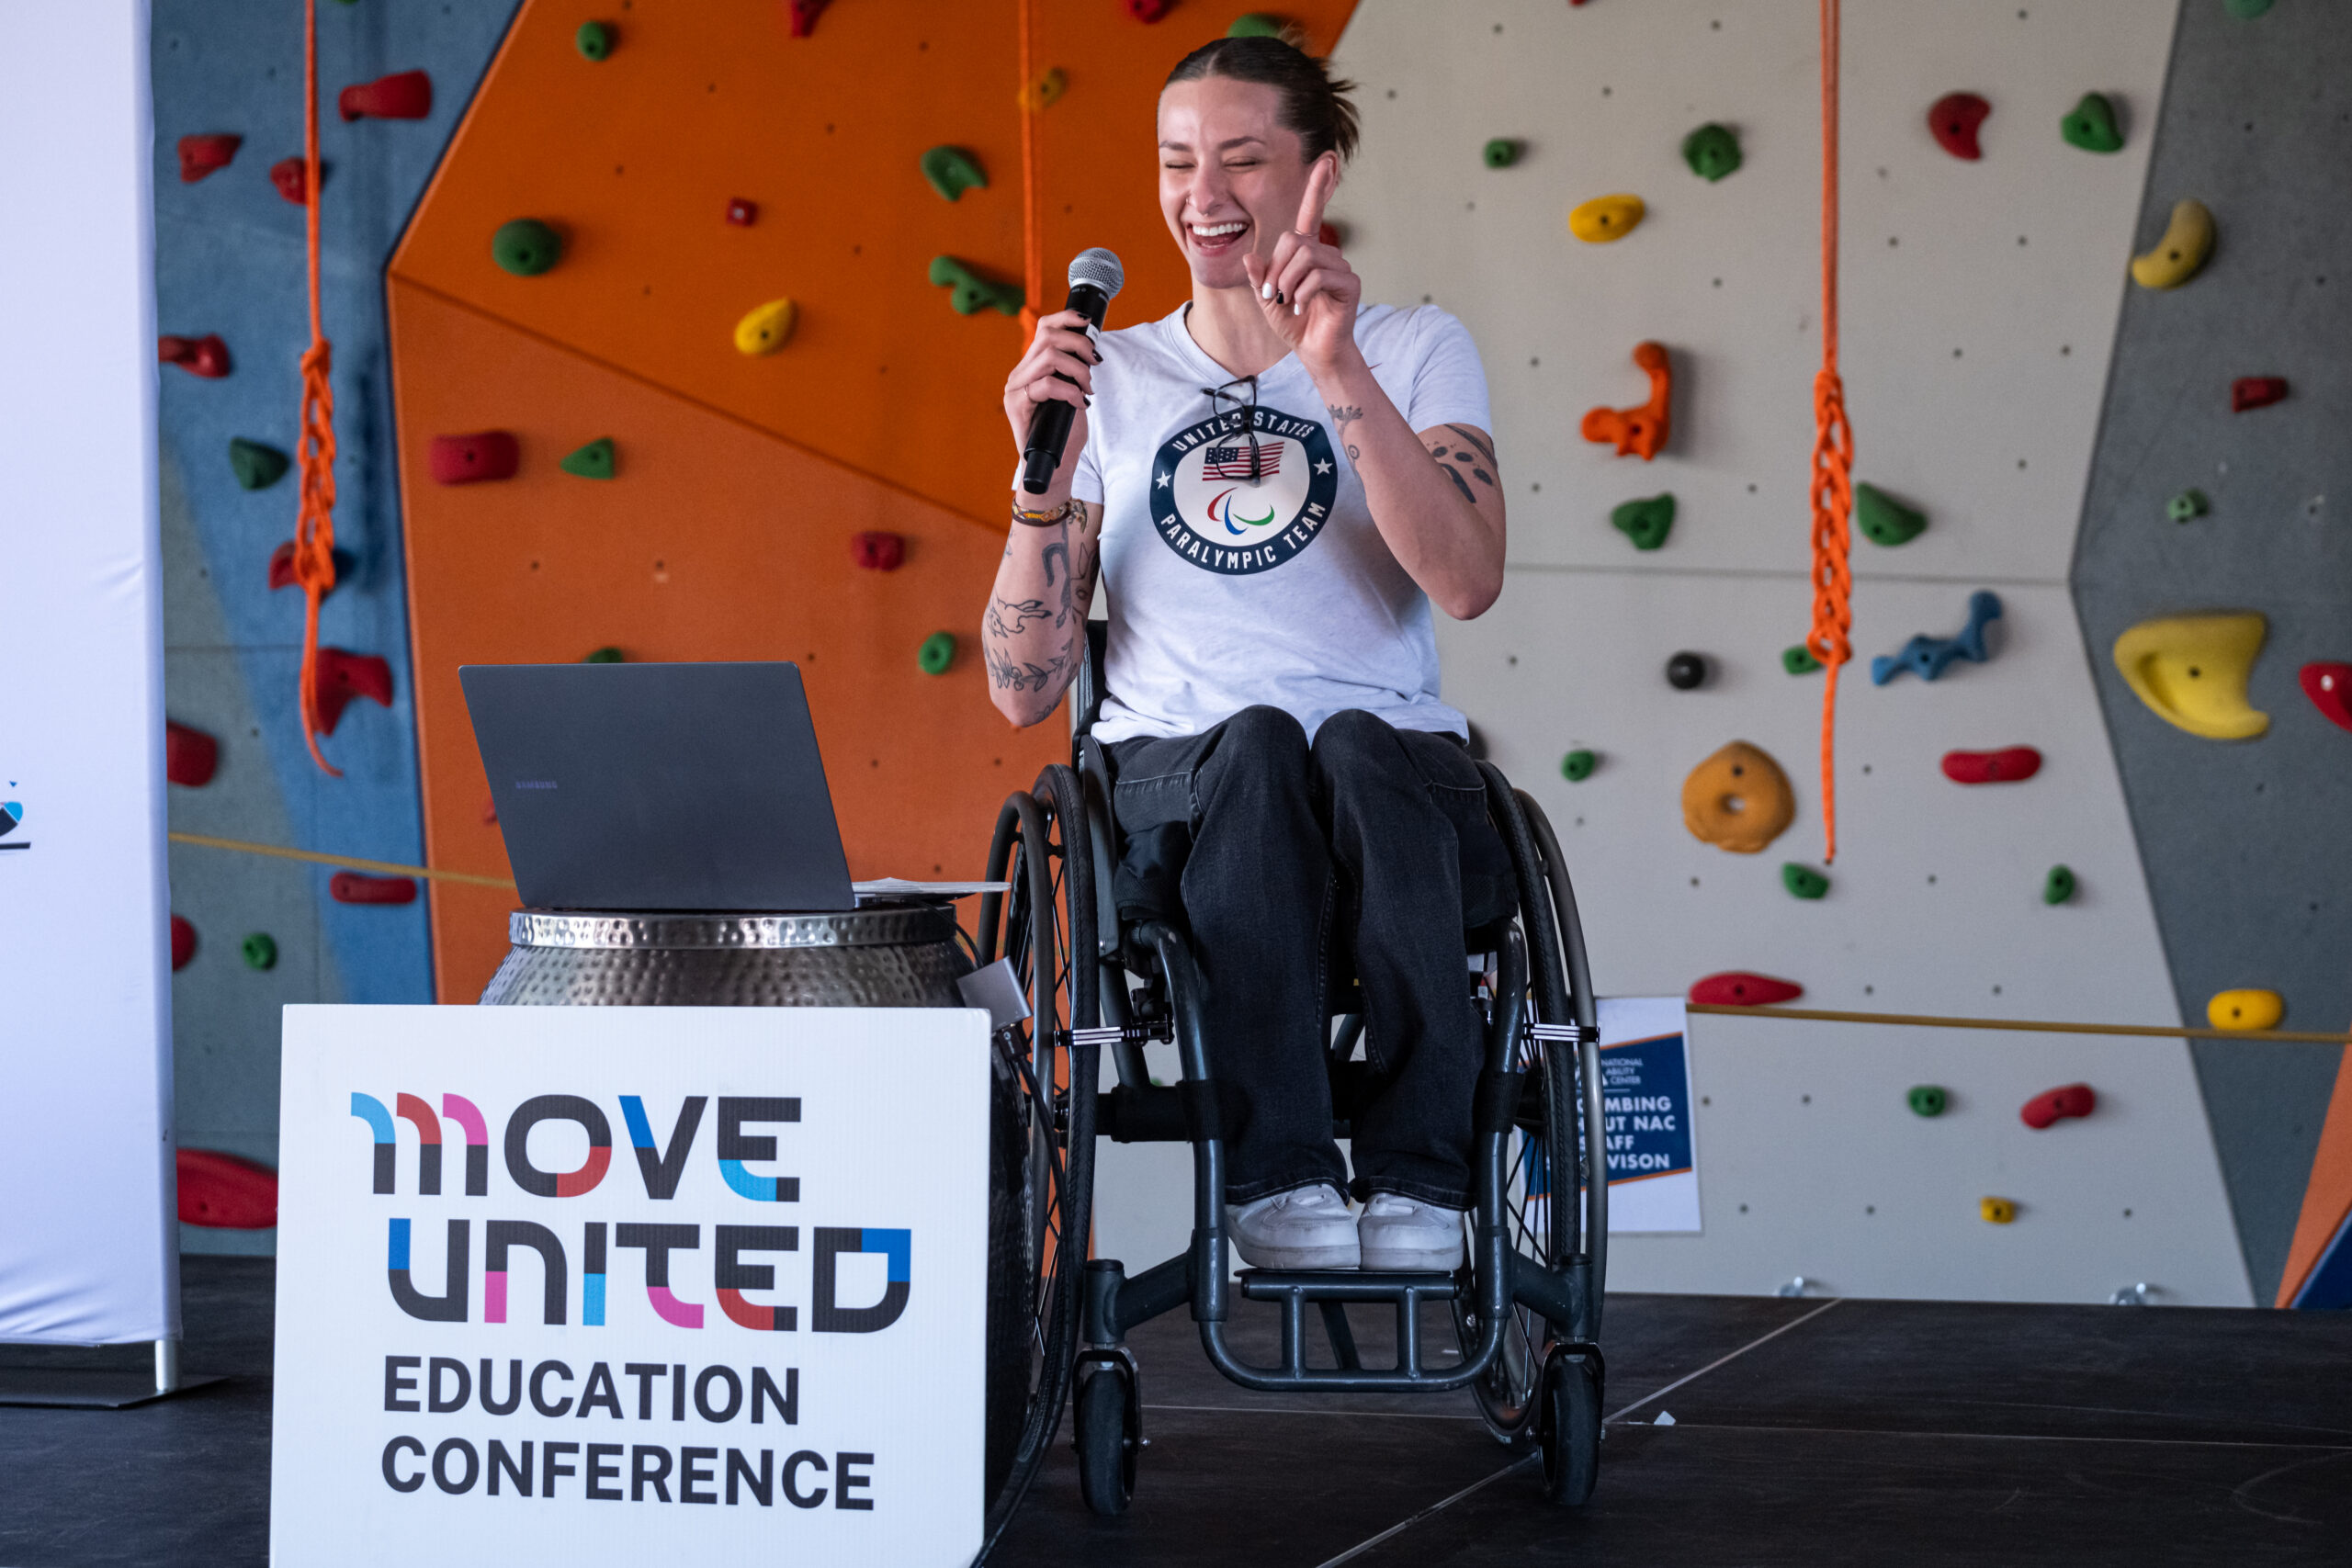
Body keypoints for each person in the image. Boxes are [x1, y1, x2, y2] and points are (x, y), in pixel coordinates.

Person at [981, 33, 1507, 1272]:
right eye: (1176, 162)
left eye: (1240, 159)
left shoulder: (1419, 347)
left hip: (1386, 772)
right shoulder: (1110, 376)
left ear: (1318, 171)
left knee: (1357, 748)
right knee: (1264, 746)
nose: (1200, 196)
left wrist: (1333, 366)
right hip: (1181, 779)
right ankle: (1273, 1177)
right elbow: (1020, 692)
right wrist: (1038, 491)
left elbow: (1469, 582)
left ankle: (1424, 1184)